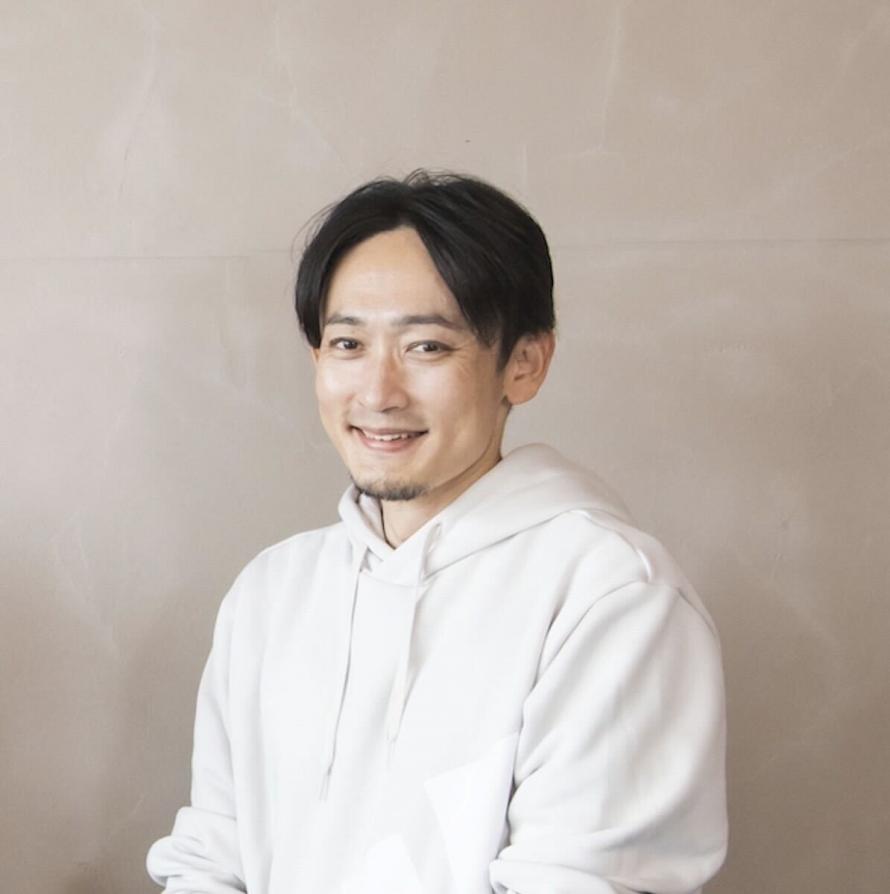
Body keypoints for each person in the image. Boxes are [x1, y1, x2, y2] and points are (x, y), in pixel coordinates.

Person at [146, 171, 728, 894]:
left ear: (524, 364)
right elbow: (212, 859)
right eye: (347, 344)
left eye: (425, 347)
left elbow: (581, 882)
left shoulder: (610, 595)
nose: (378, 392)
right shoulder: (272, 591)